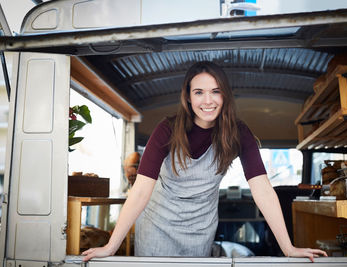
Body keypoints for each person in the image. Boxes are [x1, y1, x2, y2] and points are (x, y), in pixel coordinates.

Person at [82, 61, 327, 262]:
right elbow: (141, 191)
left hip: (200, 230)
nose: (207, 101)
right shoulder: (166, 130)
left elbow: (262, 189)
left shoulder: (238, 132)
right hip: (158, 227)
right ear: (188, 97)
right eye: (199, 92)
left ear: (225, 95)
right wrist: (111, 247)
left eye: (215, 91)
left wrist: (288, 248)